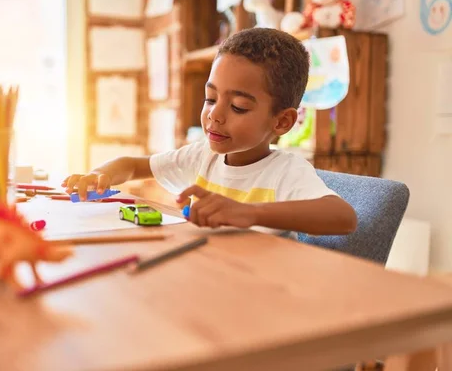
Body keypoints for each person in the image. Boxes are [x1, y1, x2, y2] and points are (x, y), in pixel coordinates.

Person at [62, 28, 357, 237]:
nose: (214, 115)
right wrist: (99, 176)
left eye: (239, 106)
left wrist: (250, 213)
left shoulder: (285, 171)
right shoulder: (202, 156)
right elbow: (130, 165)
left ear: (281, 122)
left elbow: (343, 218)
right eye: (211, 98)